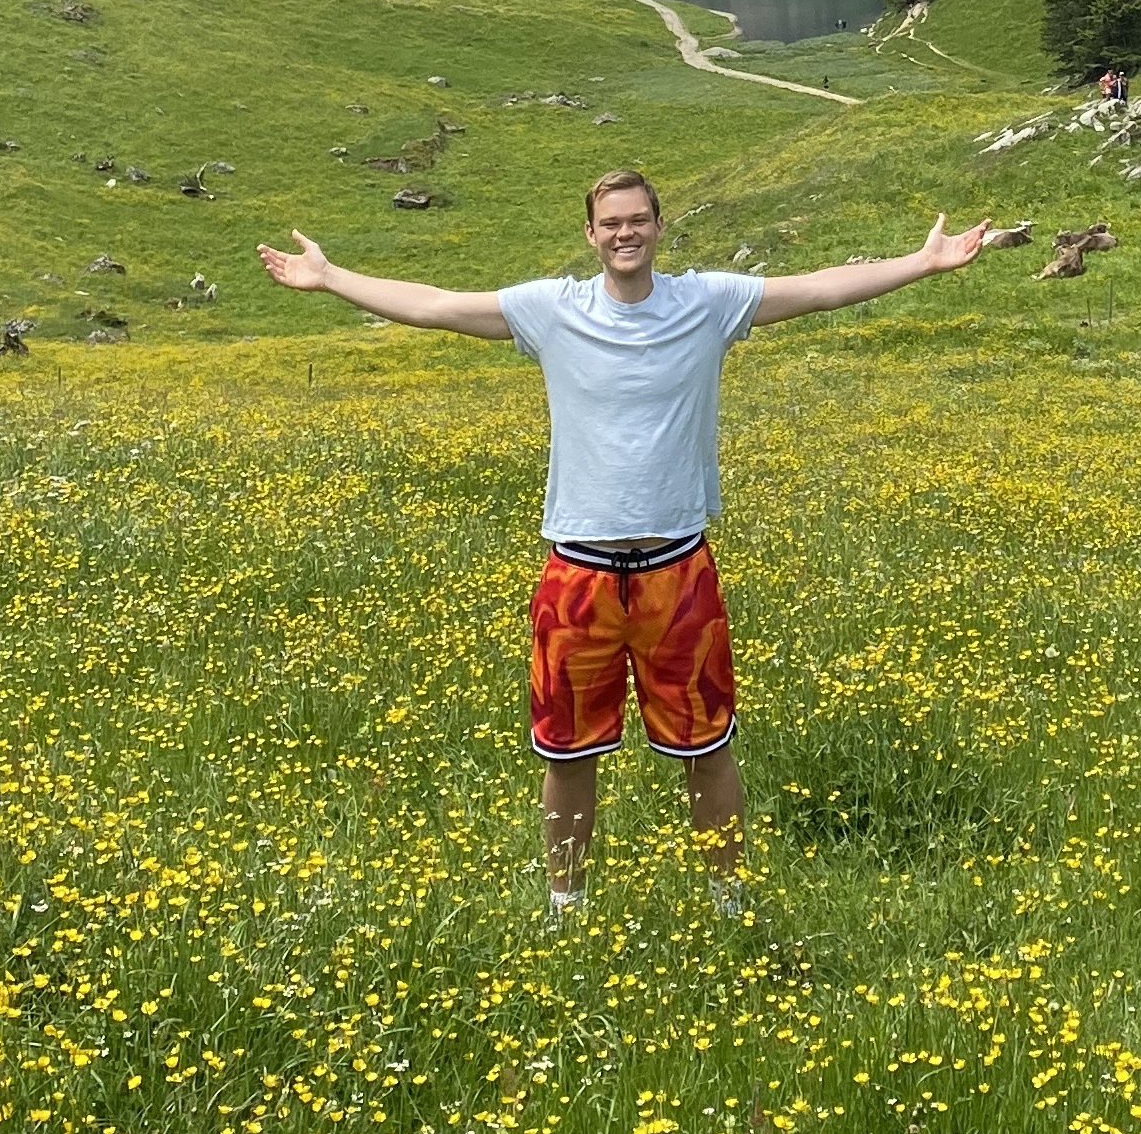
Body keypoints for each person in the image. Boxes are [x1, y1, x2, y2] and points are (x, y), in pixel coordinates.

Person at [258, 172, 997, 919]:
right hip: (578, 575)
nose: (625, 233)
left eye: (638, 219)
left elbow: (818, 289)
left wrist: (922, 262)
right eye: (610, 222)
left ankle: (729, 902)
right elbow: (437, 305)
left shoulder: (708, 303)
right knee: (566, 753)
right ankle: (566, 904)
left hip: (677, 569)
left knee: (706, 748)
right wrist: (330, 277)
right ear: (590, 234)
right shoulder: (551, 310)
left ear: (659, 227)